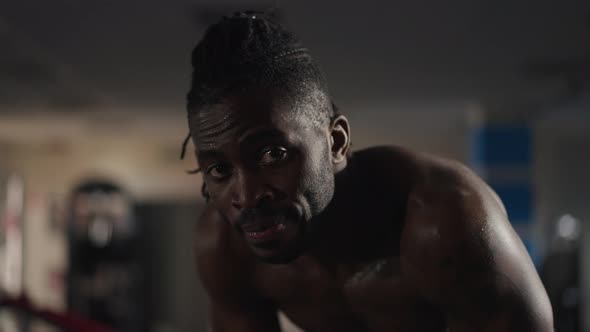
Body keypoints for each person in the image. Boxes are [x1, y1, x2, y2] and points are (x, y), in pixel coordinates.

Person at [183, 11, 553, 331]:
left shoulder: (445, 222)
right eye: (219, 169)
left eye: (273, 153)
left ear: (336, 141)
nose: (246, 196)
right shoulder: (226, 246)